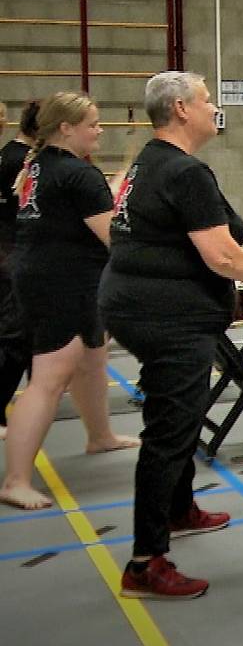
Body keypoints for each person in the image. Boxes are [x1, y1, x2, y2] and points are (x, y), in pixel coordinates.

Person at [100, 71, 243, 598]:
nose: (214, 107)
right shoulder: (184, 171)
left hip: (136, 303)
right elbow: (221, 255)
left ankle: (178, 508)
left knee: (183, 413)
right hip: (167, 315)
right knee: (169, 431)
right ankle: (145, 561)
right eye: (206, 99)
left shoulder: (149, 161)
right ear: (181, 109)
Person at [1, 93, 139, 510]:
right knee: (48, 380)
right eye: (93, 124)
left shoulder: (38, 165)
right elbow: (114, 237)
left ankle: (100, 435)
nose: (100, 130)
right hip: (61, 283)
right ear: (66, 128)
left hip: (43, 272)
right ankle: (15, 480)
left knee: (92, 357)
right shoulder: (78, 175)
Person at [0, 101, 39, 437]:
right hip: (12, 253)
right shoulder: (19, 160)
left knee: (25, 336)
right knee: (15, 336)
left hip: (11, 251)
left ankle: (36, 394)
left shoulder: (11, 155)